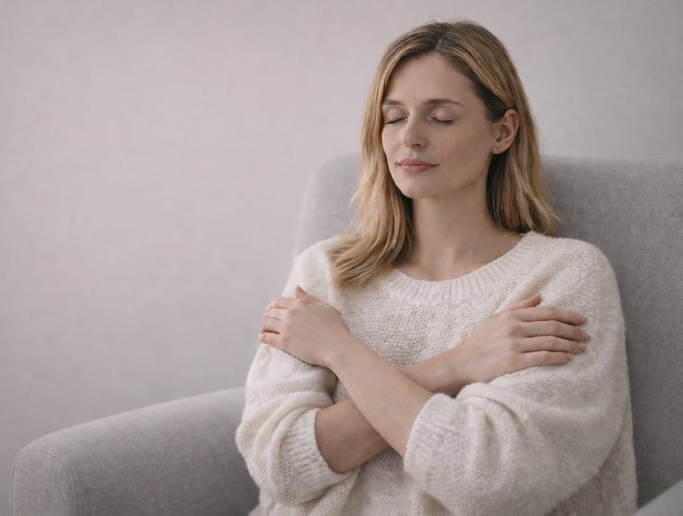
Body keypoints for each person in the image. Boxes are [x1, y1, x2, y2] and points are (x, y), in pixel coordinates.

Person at [236, 20, 636, 515]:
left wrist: (338, 348)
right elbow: (279, 467)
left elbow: (487, 481)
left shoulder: (561, 277)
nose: (411, 139)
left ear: (503, 131)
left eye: (441, 118)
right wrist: (455, 366)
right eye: (394, 117)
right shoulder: (323, 273)